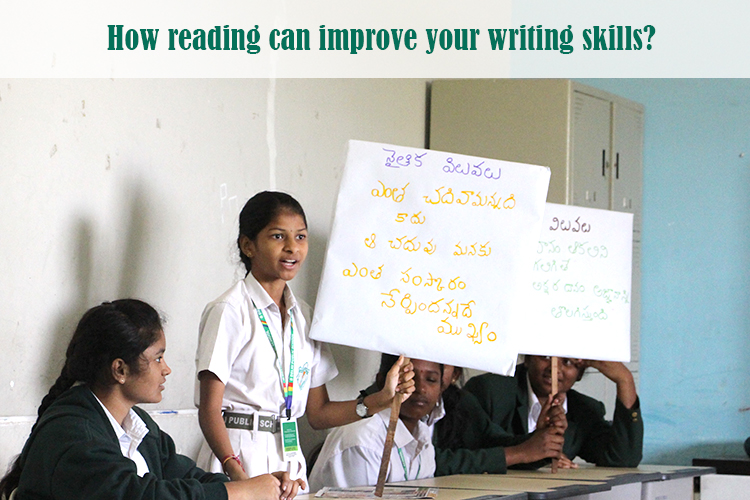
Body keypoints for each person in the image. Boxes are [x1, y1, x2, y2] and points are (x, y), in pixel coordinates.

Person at [195, 191, 414, 489]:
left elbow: (319, 413)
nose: (292, 248)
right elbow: (209, 410)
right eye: (277, 237)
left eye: (300, 237)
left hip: (288, 458)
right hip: (238, 453)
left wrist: (380, 401)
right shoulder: (230, 311)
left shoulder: (306, 317)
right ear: (248, 245)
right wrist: (238, 475)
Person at [0, 299, 294, 500]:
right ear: (120, 369)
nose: (166, 369)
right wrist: (239, 493)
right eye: (158, 358)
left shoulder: (139, 425)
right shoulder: (73, 433)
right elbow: (140, 495)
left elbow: (187, 478)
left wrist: (257, 486)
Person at [359, 364, 569, 476]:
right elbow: (428, 463)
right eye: (413, 374)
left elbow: (491, 442)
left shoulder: (459, 402)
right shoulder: (373, 410)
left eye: (432, 377)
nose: (421, 387)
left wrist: (538, 442)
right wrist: (520, 453)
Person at [464, 355, 643, 467]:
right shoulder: (490, 391)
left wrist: (625, 380)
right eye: (545, 357)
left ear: (580, 373)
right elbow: (469, 453)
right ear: (527, 359)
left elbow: (623, 458)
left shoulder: (584, 409)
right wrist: (540, 456)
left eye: (567, 362)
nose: (554, 368)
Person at [309, 356, 443, 491]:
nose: (420, 388)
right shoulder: (364, 441)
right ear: (382, 382)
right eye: (409, 379)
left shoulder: (423, 434)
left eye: (431, 380)